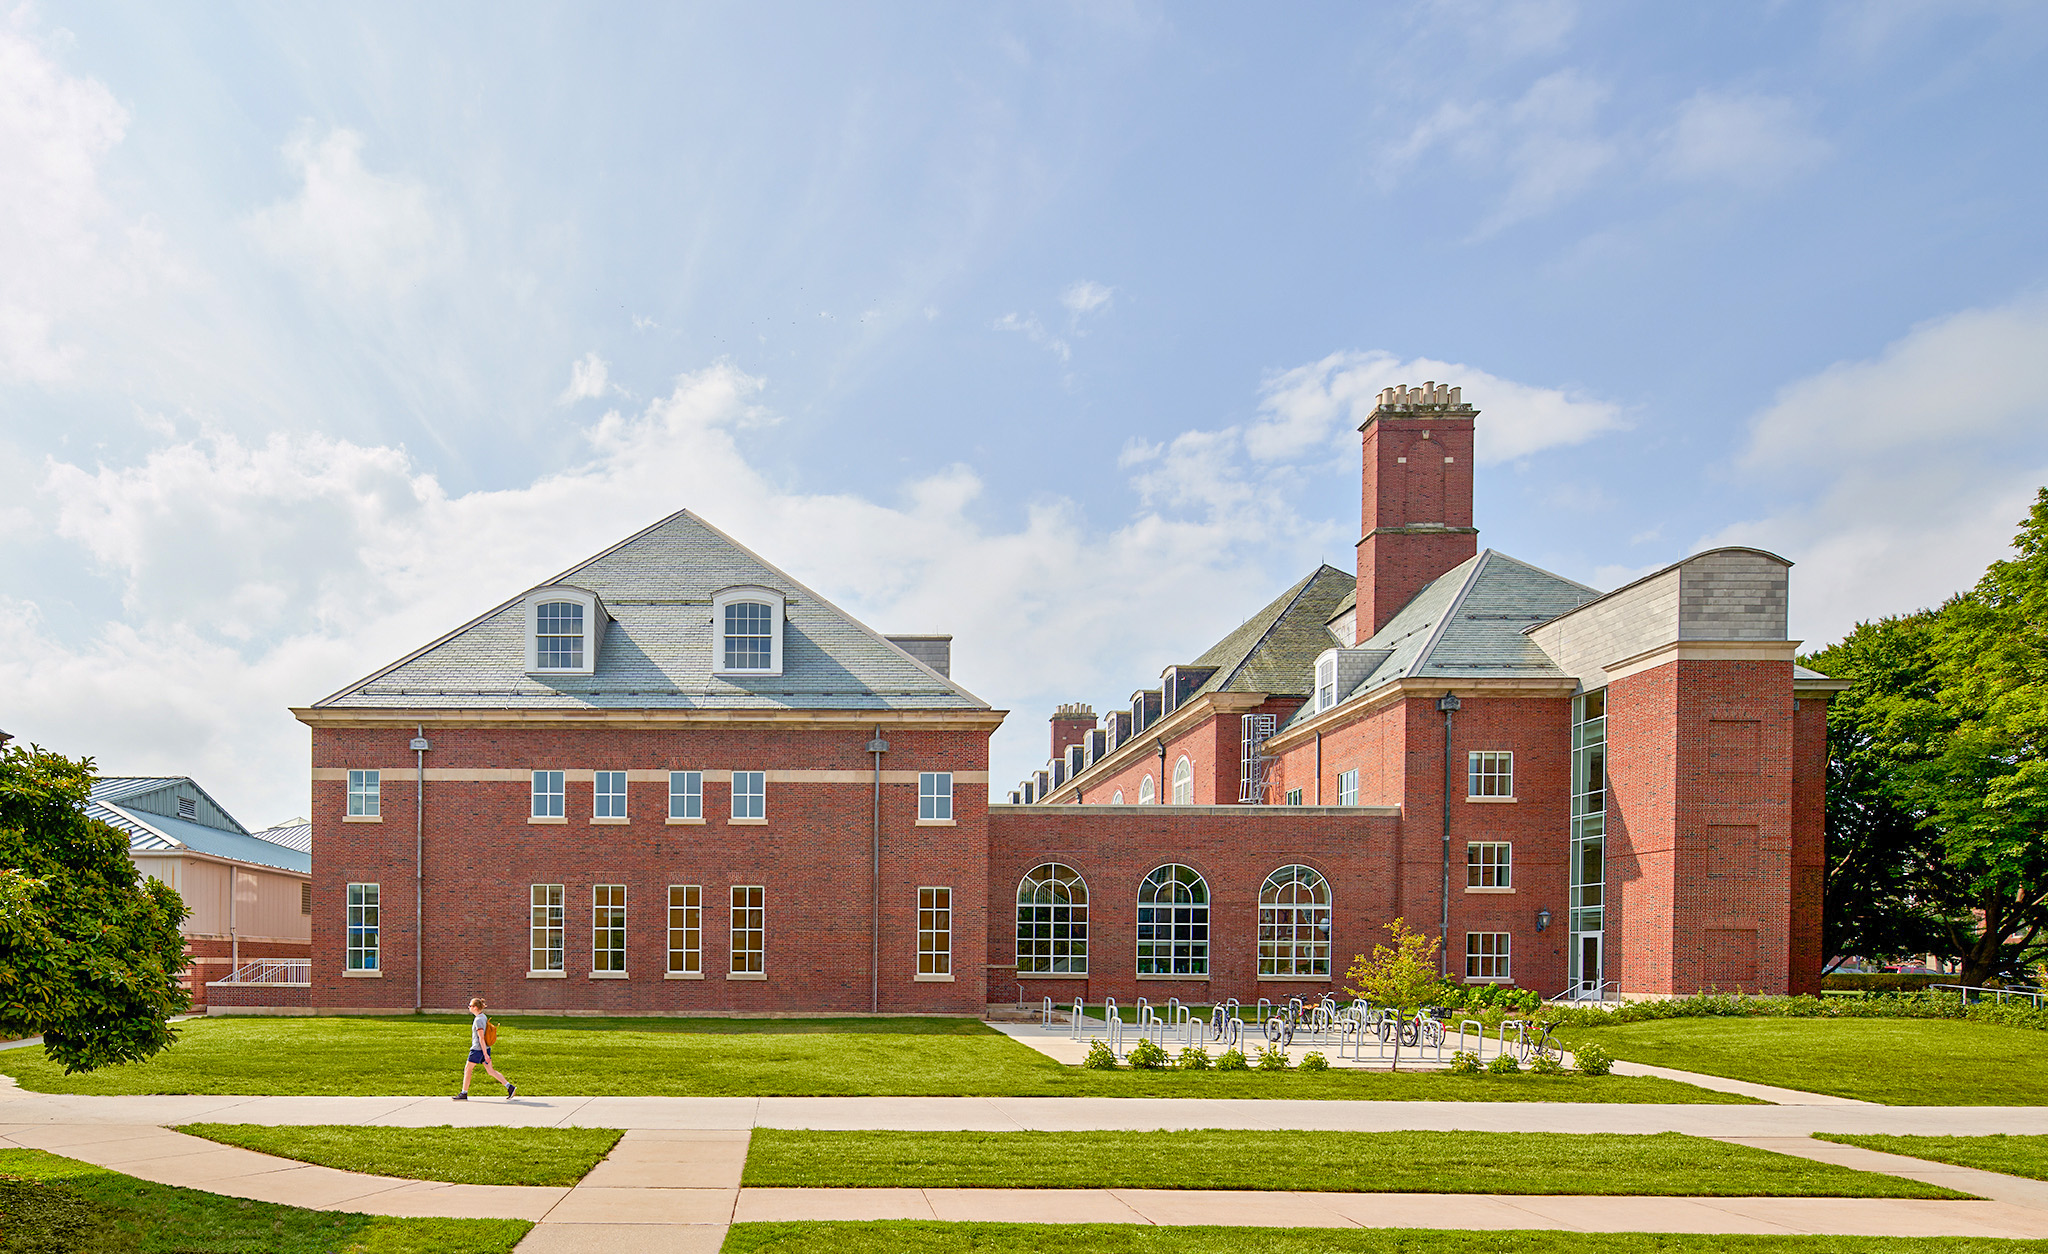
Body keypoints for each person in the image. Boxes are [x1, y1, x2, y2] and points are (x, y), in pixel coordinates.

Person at [455, 997, 515, 1100]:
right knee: (490, 1071)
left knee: (468, 1069)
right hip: (485, 1049)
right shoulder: (483, 1017)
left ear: (475, 1007)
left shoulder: (478, 1020)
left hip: (478, 1050)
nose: (469, 1007)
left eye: (470, 1005)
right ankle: (509, 1087)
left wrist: (485, 1055)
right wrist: (486, 1052)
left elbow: (481, 1038)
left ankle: (464, 1093)